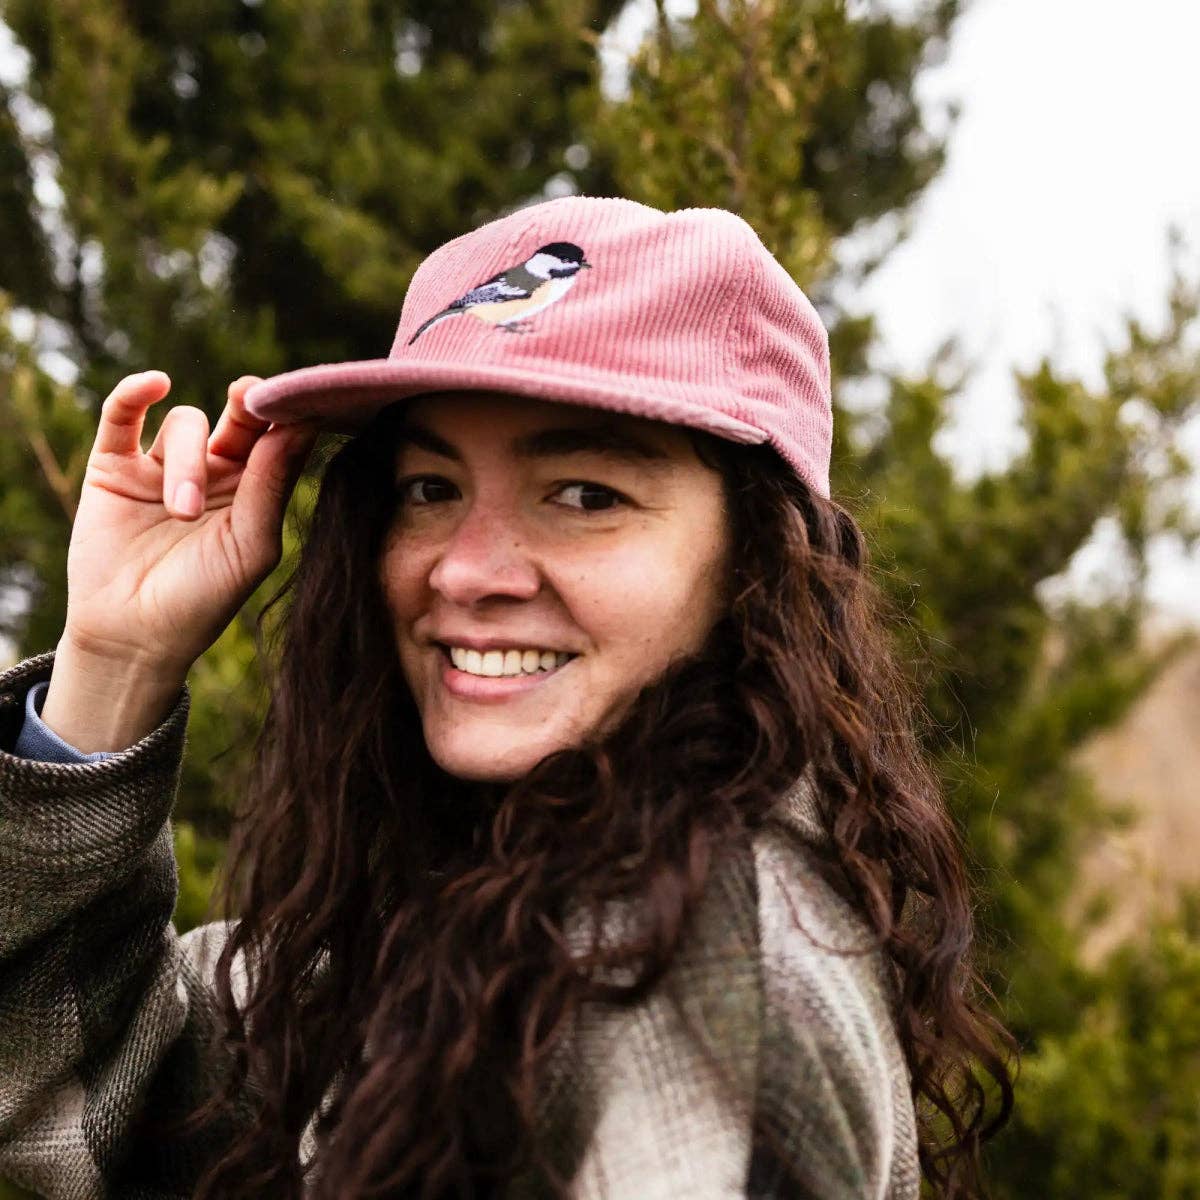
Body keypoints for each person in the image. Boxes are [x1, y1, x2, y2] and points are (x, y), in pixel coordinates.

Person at [0, 196, 1013, 1199]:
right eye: (430, 489)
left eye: (584, 495)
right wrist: (114, 661)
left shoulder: (700, 975)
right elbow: (84, 1130)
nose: (467, 570)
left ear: (759, 561)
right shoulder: (438, 915)